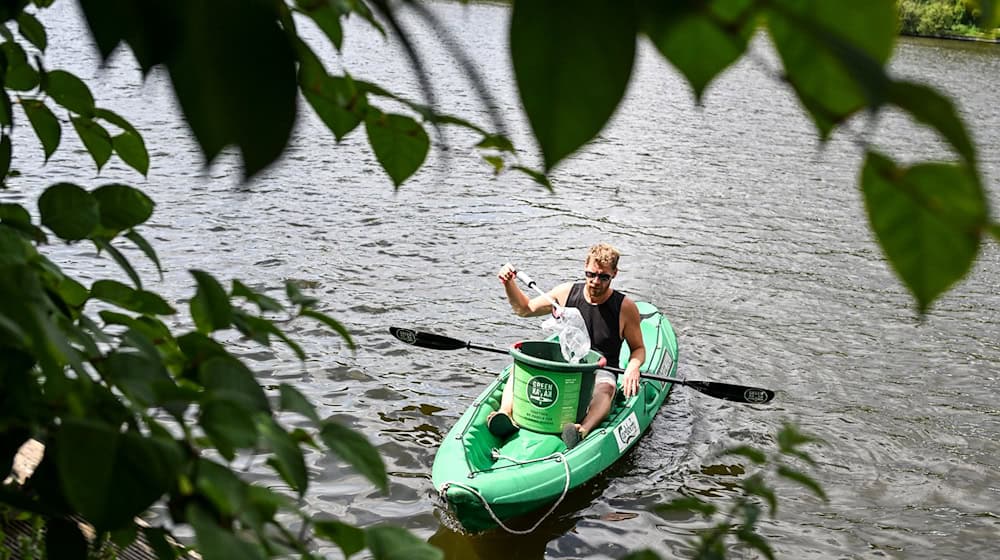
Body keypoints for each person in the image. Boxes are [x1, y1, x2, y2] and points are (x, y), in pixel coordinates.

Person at [489, 243, 646, 449]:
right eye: (590, 274)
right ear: (585, 267)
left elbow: (638, 349)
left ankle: (581, 430)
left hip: (601, 368)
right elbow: (524, 309)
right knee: (519, 368)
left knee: (606, 389)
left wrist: (633, 367)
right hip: (566, 362)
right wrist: (509, 283)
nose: (595, 282)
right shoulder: (566, 293)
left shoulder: (625, 307)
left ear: (614, 274)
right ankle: (505, 414)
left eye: (603, 277)